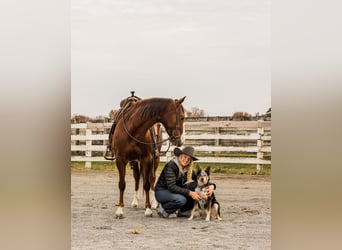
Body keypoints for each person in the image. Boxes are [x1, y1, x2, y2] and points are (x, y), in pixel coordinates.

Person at [154, 146, 216, 218]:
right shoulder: (171, 166)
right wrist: (190, 193)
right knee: (181, 200)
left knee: (194, 186)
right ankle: (163, 208)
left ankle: (183, 211)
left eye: (189, 159)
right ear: (180, 156)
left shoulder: (188, 169)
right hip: (162, 191)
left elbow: (200, 180)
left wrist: (212, 186)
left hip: (174, 192)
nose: (186, 160)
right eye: (184, 157)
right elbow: (171, 187)